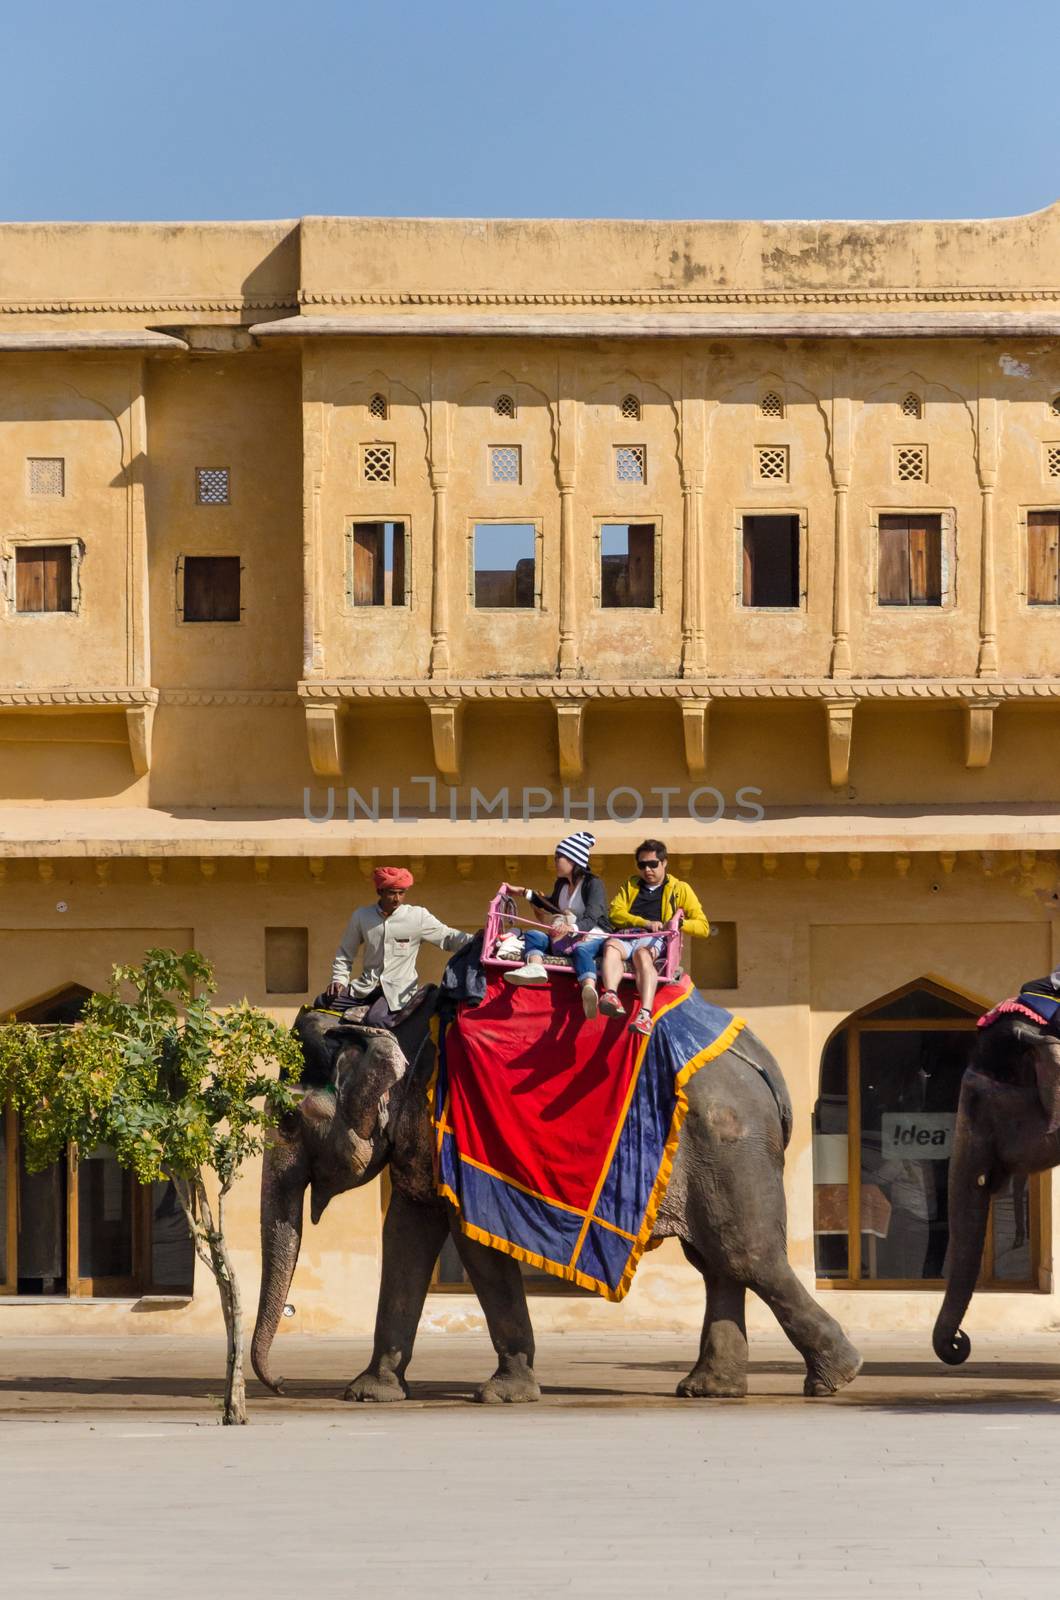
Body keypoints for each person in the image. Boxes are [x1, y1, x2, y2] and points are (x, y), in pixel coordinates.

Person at [327, 865, 472, 1026]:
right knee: (324, 1003)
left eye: (401, 893)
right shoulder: (362, 916)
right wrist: (339, 979)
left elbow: (449, 937)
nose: (397, 899)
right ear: (380, 892)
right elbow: (345, 953)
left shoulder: (417, 916)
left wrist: (481, 940)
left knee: (376, 1019)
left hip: (398, 990)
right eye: (391, 893)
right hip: (366, 987)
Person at [602, 840, 710, 1036]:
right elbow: (615, 913)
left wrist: (677, 924)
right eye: (642, 865)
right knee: (610, 947)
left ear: (664, 863)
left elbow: (703, 927)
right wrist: (643, 922)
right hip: (627, 935)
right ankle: (610, 995)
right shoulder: (631, 885)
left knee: (642, 955)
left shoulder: (680, 888)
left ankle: (644, 1014)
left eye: (653, 864)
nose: (647, 869)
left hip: (654, 939)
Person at [503, 831, 611, 1019]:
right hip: (564, 935)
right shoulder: (561, 884)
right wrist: (523, 892)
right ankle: (535, 967)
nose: (555, 861)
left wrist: (574, 928)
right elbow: (552, 905)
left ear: (573, 859)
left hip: (591, 934)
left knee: (582, 950)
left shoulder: (593, 884)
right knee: (533, 935)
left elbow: (594, 914)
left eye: (558, 857)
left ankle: (588, 990)